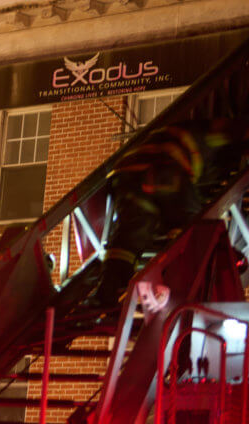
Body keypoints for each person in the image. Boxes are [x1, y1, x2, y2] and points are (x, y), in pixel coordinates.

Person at [86, 119, 249, 310]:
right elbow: (225, 138)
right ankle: (179, 285)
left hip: (127, 175)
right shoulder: (209, 132)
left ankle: (106, 293)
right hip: (167, 169)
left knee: (128, 241)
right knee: (187, 229)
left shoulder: (175, 131)